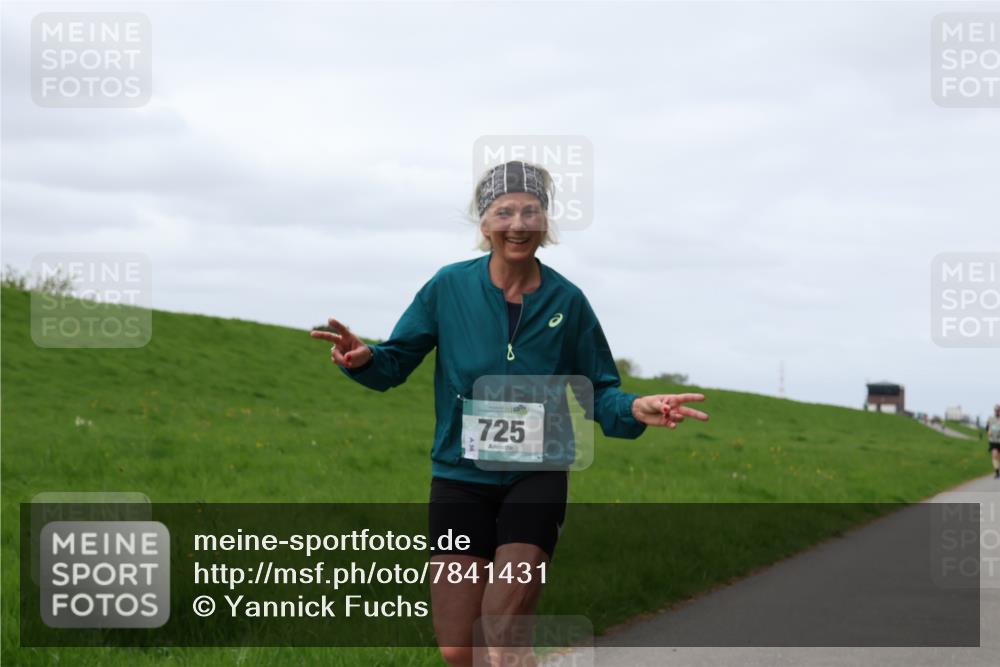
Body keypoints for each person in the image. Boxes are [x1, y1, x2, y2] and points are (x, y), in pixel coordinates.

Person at [310, 160, 709, 666]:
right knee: (459, 647)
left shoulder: (569, 301)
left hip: (535, 477)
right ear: (484, 224)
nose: (518, 223)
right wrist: (363, 359)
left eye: (530, 211)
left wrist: (634, 406)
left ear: (545, 223)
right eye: (504, 212)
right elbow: (394, 362)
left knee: (500, 631)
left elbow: (599, 390)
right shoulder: (447, 288)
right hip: (459, 476)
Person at [988, 404, 1000, 479]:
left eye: (998, 410)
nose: (997, 412)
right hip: (993, 440)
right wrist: (989, 431)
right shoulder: (991, 419)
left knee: (998, 457)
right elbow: (988, 427)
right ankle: (997, 472)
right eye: (995, 410)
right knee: (994, 455)